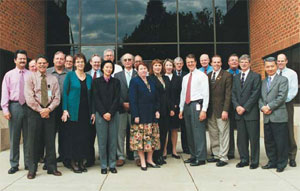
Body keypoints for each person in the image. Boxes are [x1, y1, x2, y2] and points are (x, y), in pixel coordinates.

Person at [24, 55, 62, 179]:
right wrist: (41, 110)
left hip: (50, 112)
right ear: (36, 65)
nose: (41, 65)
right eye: (39, 63)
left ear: (47, 64)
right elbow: (29, 97)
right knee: (33, 141)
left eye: (44, 63)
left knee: (50, 141)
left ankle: (52, 167)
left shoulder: (53, 78)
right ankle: (32, 169)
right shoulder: (30, 77)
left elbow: (57, 97)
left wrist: (49, 109)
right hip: (35, 112)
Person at [61, 53, 95, 173]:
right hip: (73, 112)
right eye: (78, 62)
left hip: (86, 112)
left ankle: (81, 161)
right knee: (73, 137)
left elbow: (92, 96)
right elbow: (65, 93)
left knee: (84, 137)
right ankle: (73, 161)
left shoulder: (89, 77)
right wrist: (65, 109)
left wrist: (93, 112)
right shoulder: (70, 75)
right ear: (75, 64)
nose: (80, 64)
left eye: (82, 61)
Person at [1, 50, 30, 174]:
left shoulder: (31, 75)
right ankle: (14, 164)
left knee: (29, 138)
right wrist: (5, 109)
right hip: (15, 107)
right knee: (14, 137)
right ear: (15, 60)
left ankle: (29, 163)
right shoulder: (9, 75)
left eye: (24, 59)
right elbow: (4, 93)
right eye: (20, 59)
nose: (23, 61)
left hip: (29, 107)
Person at [129, 62, 161, 171]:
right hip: (140, 115)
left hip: (152, 114)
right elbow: (132, 100)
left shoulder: (151, 81)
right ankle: (142, 161)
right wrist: (135, 115)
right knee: (140, 140)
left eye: (145, 68)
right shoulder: (134, 81)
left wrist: (157, 110)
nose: (143, 70)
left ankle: (150, 159)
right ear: (137, 70)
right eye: (141, 69)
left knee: (152, 139)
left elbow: (157, 97)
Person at [259, 57, 289, 173]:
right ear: (265, 68)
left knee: (280, 141)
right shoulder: (263, 81)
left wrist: (269, 106)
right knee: (269, 141)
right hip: (267, 117)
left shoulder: (283, 80)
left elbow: (282, 97)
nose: (270, 68)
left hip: (278, 116)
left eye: (272, 66)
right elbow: (260, 98)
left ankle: (281, 163)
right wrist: (262, 107)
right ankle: (272, 161)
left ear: (276, 66)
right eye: (267, 66)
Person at [231, 54, 261, 169]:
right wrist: (237, 106)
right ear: (239, 63)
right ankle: (244, 159)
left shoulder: (256, 76)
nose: (243, 64)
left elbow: (255, 94)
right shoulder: (236, 77)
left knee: (253, 138)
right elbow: (233, 93)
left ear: (250, 63)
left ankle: (254, 161)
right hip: (239, 113)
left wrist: (245, 107)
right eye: (241, 62)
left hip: (251, 113)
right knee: (241, 138)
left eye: (245, 62)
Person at [179, 54, 209, 166]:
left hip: (197, 105)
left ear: (196, 62)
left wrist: (204, 110)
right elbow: (183, 94)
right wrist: (181, 109)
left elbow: (206, 94)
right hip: (187, 105)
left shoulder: (202, 76)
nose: (190, 64)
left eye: (192, 62)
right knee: (189, 132)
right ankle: (193, 155)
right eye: (188, 62)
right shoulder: (185, 77)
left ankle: (201, 157)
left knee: (198, 132)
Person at [92, 60, 120, 174]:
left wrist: (110, 113)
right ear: (102, 68)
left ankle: (112, 164)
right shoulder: (96, 82)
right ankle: (103, 165)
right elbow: (96, 98)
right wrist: (104, 113)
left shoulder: (116, 82)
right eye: (106, 67)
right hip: (100, 114)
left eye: (110, 67)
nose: (109, 69)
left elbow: (117, 98)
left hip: (113, 114)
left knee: (113, 140)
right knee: (102, 141)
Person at [207, 55, 232, 167]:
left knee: (223, 133)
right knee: (213, 133)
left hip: (222, 110)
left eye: (218, 62)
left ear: (221, 63)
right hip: (210, 110)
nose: (216, 64)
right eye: (214, 62)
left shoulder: (227, 75)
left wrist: (225, 110)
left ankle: (223, 157)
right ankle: (216, 154)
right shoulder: (208, 76)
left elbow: (228, 95)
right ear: (211, 64)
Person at [114, 53, 137, 167]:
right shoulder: (117, 75)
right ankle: (120, 156)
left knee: (135, 133)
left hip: (135, 110)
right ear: (122, 62)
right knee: (120, 134)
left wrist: (132, 104)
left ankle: (137, 156)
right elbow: (115, 93)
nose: (127, 62)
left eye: (129, 60)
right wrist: (122, 103)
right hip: (121, 109)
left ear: (133, 62)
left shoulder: (138, 74)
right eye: (125, 60)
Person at [47, 51, 69, 166]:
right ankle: (50, 158)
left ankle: (63, 156)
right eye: (57, 58)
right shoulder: (47, 72)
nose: (59, 60)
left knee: (64, 133)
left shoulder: (70, 74)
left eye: (61, 59)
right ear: (53, 60)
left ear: (65, 61)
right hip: (51, 107)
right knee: (50, 133)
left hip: (65, 107)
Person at [277, 53, 298, 167]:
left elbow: (293, 91)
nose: (280, 63)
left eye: (282, 60)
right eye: (278, 61)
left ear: (286, 61)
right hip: (275, 105)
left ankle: (292, 156)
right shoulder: (274, 72)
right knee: (278, 130)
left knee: (289, 129)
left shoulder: (291, 73)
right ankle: (280, 155)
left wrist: (281, 100)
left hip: (287, 104)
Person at [149, 59, 170, 166]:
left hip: (165, 110)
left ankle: (160, 155)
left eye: (159, 65)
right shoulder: (150, 79)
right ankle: (154, 157)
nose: (157, 67)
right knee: (155, 135)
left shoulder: (165, 78)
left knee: (163, 133)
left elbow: (169, 94)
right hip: (156, 110)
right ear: (152, 67)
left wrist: (171, 109)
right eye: (155, 65)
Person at [85, 54, 102, 167]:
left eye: (98, 62)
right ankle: (90, 159)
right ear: (90, 63)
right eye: (94, 62)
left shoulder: (105, 74)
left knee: (102, 136)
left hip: (102, 110)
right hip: (88, 109)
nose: (96, 64)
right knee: (89, 136)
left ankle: (103, 157)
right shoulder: (86, 75)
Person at [163, 59, 181, 159]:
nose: (169, 67)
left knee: (174, 129)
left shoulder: (178, 78)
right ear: (164, 67)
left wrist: (176, 105)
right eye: (167, 65)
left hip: (175, 108)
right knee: (165, 130)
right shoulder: (162, 78)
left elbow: (180, 93)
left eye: (171, 65)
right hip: (165, 109)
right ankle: (164, 151)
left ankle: (174, 150)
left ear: (173, 67)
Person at [173, 57, 189, 154]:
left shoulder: (186, 74)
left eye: (180, 63)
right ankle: (171, 148)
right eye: (177, 63)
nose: (179, 65)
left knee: (185, 128)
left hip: (184, 104)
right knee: (173, 128)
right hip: (174, 105)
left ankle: (186, 147)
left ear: (183, 64)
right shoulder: (170, 74)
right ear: (174, 64)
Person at [226, 53, 240, 159]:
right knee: (229, 130)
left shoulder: (242, 73)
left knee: (241, 130)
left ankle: (242, 152)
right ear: (228, 62)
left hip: (240, 107)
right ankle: (230, 152)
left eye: (236, 60)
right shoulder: (225, 74)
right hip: (229, 106)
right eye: (232, 60)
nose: (234, 62)